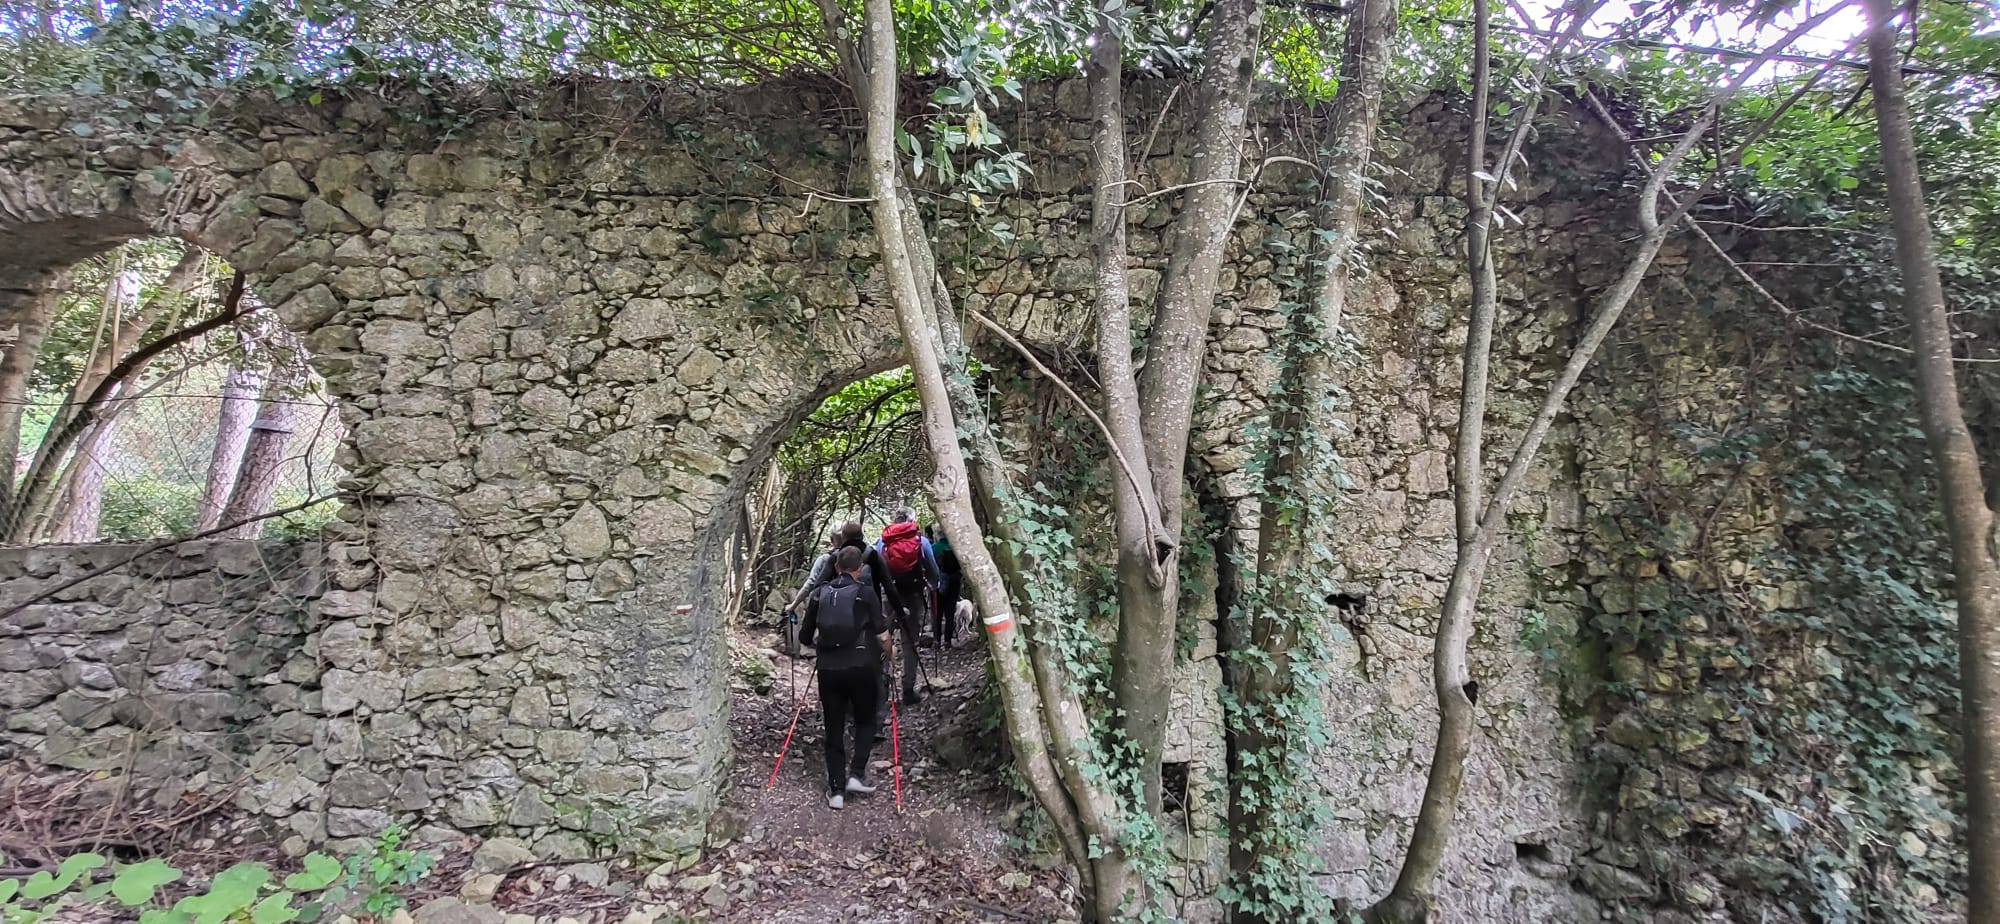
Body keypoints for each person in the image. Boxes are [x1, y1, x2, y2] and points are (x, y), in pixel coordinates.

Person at [798, 545, 895, 810]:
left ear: (836, 566)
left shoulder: (819, 594)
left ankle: (837, 791)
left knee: (834, 727)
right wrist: (890, 654)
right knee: (866, 720)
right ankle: (856, 773)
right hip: (861, 666)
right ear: (860, 569)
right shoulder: (866, 593)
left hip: (828, 669)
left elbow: (805, 637)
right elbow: (882, 635)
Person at [875, 507, 940, 706]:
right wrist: (933, 585)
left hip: (889, 596)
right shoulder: (921, 541)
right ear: (912, 520)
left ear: (894, 520)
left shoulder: (883, 542)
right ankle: (908, 690)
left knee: (884, 638)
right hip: (913, 595)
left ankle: (882, 687)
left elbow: (876, 571)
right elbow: (933, 572)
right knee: (910, 642)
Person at [927, 525, 964, 650]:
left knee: (937, 612)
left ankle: (937, 640)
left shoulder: (933, 548)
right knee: (950, 611)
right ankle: (948, 640)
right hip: (954, 581)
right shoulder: (956, 548)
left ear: (937, 535)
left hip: (937, 583)